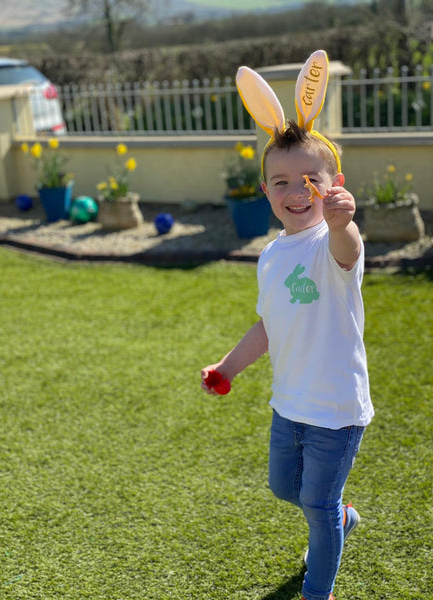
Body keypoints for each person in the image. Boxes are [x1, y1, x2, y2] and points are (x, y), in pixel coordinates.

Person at [201, 120, 374, 600]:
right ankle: (344, 520)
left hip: (336, 411)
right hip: (289, 405)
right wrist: (227, 368)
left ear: (332, 186)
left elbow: (348, 249)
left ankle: (318, 591)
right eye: (282, 182)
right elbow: (268, 326)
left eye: (311, 181)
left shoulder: (331, 242)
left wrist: (343, 223)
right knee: (286, 488)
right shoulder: (273, 254)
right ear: (265, 190)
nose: (297, 192)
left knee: (317, 505)